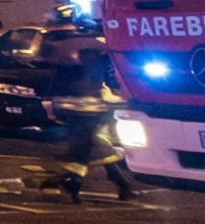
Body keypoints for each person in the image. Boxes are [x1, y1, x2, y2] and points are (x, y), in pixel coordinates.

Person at [47, 47, 137, 203]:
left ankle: (121, 185)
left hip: (76, 115)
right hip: (92, 114)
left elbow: (55, 88)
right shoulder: (94, 66)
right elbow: (103, 90)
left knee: (93, 150)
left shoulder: (67, 66)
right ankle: (76, 183)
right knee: (93, 150)